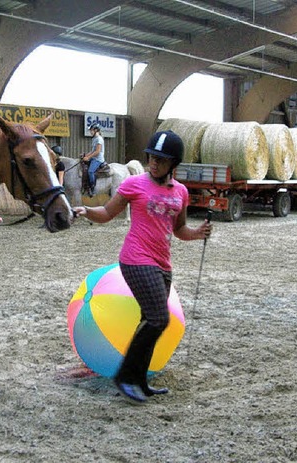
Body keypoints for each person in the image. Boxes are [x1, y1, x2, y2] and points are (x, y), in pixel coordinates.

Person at [73, 130, 212, 403]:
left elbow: (179, 229)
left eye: (161, 160)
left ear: (173, 164)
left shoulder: (181, 192)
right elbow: (108, 213)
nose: (154, 163)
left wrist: (197, 232)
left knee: (148, 321)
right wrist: (87, 211)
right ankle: (125, 376)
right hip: (135, 259)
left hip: (163, 264)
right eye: (151, 157)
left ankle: (139, 381)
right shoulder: (133, 184)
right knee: (159, 318)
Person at [81, 122, 105, 196]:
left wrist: (88, 157)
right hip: (94, 158)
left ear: (95, 130)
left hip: (98, 159)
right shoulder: (94, 139)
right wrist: (85, 155)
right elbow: (92, 151)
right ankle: (85, 185)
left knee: (90, 171)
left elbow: (97, 152)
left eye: (91, 130)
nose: (90, 132)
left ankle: (92, 188)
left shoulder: (99, 139)